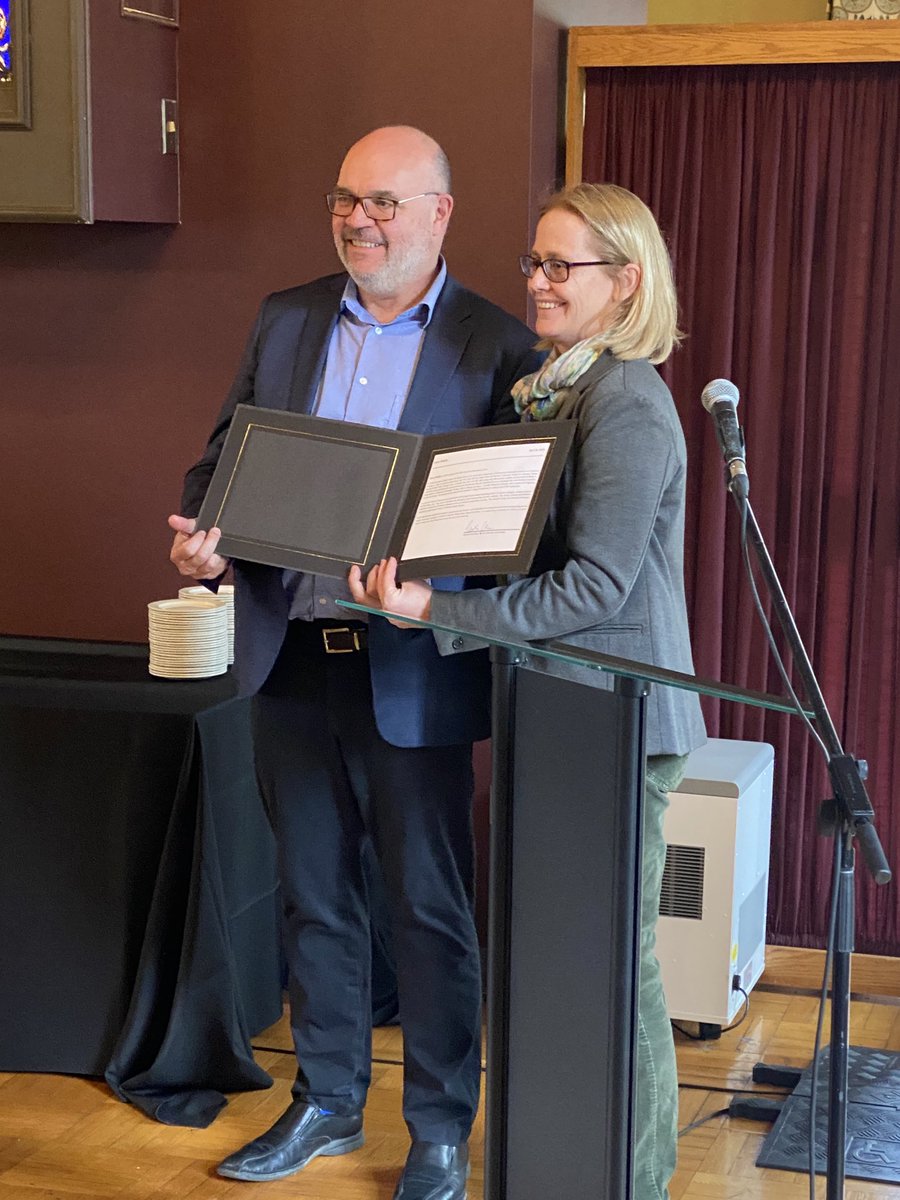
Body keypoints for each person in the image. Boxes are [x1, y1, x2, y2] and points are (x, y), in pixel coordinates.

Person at [168, 125, 541, 1200]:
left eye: (383, 202)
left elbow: (512, 526)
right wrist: (202, 536)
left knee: (426, 906)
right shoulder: (287, 317)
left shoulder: (499, 347)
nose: (359, 221)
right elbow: (222, 458)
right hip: (288, 651)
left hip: (413, 670)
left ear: (439, 215)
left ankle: (436, 1129)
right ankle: (326, 1101)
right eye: (344, 200)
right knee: (312, 893)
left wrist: (438, 597)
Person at [350, 182, 707, 1200]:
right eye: (534, 263)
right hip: (557, 717)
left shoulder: (627, 401)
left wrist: (434, 614)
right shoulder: (555, 391)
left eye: (564, 267)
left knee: (617, 969)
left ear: (625, 282)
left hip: (617, 721)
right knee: (563, 964)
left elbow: (596, 586)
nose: (540, 284)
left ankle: (632, 1182)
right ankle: (560, 1168)